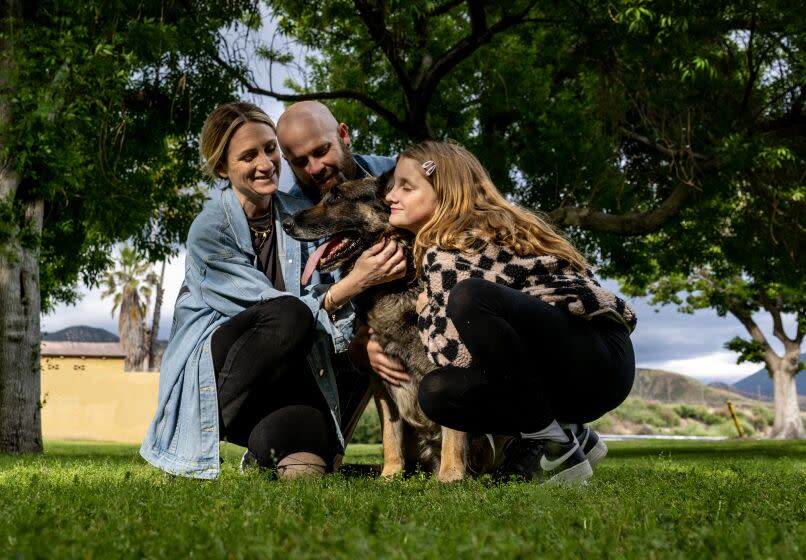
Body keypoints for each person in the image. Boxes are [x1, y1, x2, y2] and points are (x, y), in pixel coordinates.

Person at [140, 102, 405, 479]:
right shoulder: (210, 230)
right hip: (219, 371)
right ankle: (194, 437)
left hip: (286, 379)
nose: (265, 164)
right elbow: (271, 306)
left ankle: (263, 447)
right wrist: (349, 286)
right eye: (248, 156)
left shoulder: (299, 214)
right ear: (222, 168)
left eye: (269, 149)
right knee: (288, 314)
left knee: (308, 463)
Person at [384, 140, 637, 485]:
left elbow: (453, 354)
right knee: (437, 393)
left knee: (468, 298)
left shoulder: (453, 250)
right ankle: (570, 431)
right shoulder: (480, 234)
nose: (390, 197)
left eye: (406, 186)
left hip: (596, 356)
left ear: (443, 194)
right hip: (582, 373)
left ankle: (557, 446)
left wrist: (426, 312)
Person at [275, 101, 408, 438]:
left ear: (343, 135)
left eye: (321, 151)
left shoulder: (398, 176)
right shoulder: (293, 219)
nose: (315, 168)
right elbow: (298, 312)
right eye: (300, 162)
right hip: (344, 352)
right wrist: (353, 345)